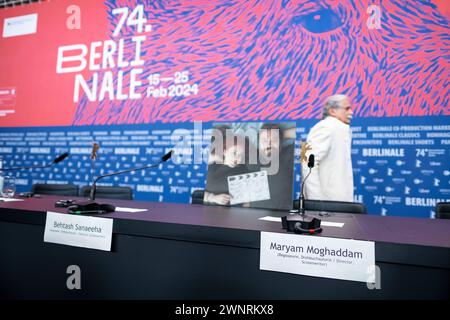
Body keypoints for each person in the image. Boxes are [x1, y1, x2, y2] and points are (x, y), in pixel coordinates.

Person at [303, 94, 354, 202]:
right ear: (332, 111)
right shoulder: (324, 127)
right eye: (347, 109)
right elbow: (307, 162)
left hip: (336, 202)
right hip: (326, 204)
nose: (351, 112)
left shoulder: (340, 128)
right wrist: (315, 201)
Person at [250, 123, 295, 210]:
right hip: (254, 213)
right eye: (264, 140)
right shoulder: (251, 158)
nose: (269, 144)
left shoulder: (288, 154)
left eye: (274, 140)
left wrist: (283, 133)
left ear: (281, 142)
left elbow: (309, 133)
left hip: (282, 213)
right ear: (258, 143)